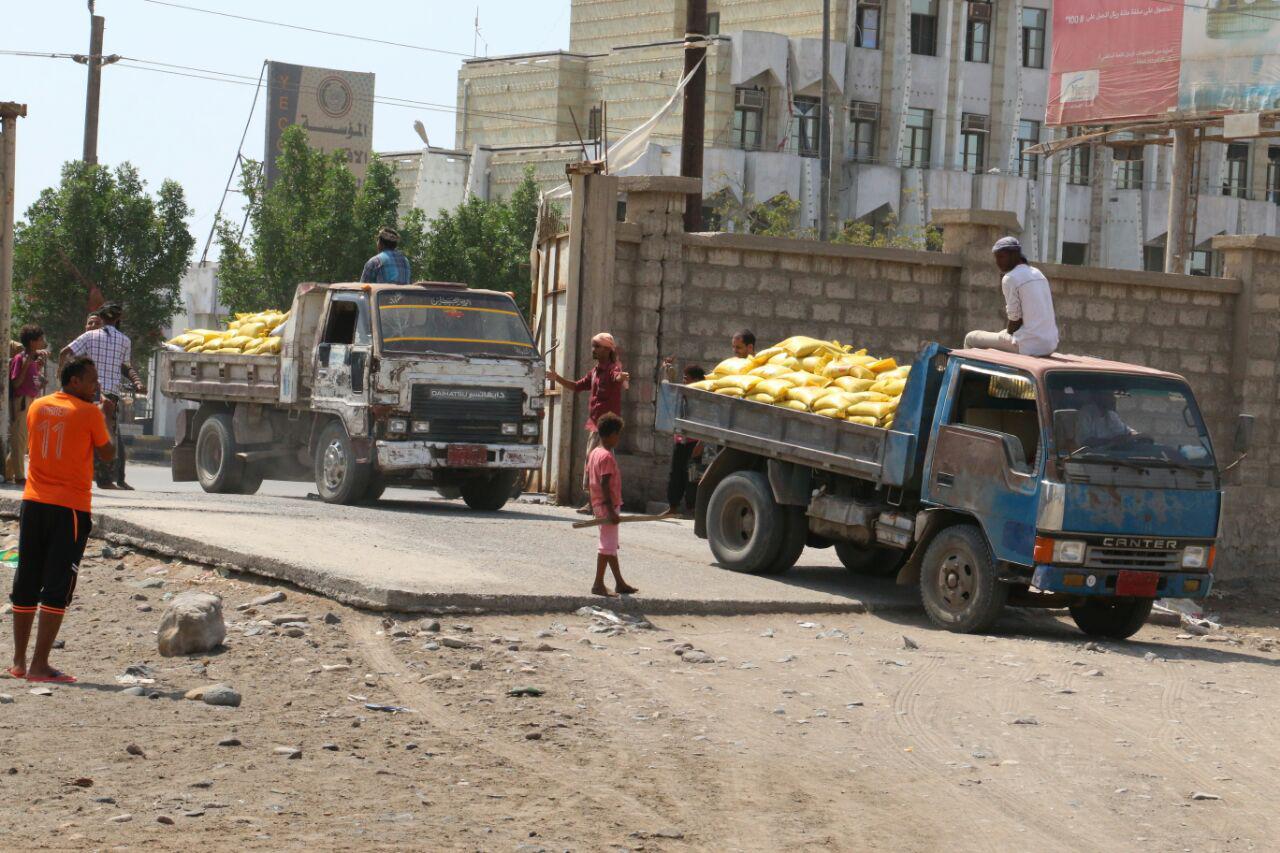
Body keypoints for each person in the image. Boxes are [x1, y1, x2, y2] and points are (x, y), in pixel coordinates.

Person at [8, 357, 114, 683]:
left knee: (26, 581)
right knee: (57, 586)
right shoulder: (90, 413)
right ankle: (40, 666)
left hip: (33, 504)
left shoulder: (38, 406)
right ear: (73, 382)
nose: (96, 385)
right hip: (69, 509)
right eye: (91, 379)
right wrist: (105, 416)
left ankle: (19, 662)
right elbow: (107, 455)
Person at [60, 303, 143, 491]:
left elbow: (64, 353)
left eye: (94, 322)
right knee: (106, 436)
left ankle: (104, 477)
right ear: (118, 319)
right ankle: (106, 480)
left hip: (88, 392)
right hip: (109, 395)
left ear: (101, 318)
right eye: (89, 323)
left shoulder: (88, 338)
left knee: (86, 434)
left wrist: (63, 380)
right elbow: (125, 366)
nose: (91, 326)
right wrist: (137, 382)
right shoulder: (124, 340)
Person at [547, 332, 630, 513]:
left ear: (607, 349)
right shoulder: (594, 372)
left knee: (598, 462)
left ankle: (599, 503)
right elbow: (577, 386)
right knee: (596, 462)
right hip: (596, 425)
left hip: (606, 427)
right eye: (593, 346)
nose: (593, 350)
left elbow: (616, 376)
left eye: (597, 346)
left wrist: (620, 378)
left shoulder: (611, 369)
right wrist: (557, 378)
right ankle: (598, 502)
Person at [964, 237, 1059, 357]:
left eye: (1001, 257)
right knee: (1000, 335)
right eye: (996, 258)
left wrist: (1007, 334)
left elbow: (1015, 320)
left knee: (971, 338)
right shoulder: (1038, 273)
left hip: (1027, 345)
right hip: (1050, 345)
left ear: (1014, 255)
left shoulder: (1010, 278)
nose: (998, 262)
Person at [587, 412, 637, 598]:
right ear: (611, 434)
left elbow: (590, 481)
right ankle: (598, 584)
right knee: (606, 547)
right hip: (607, 506)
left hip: (599, 504)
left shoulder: (594, 453)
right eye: (618, 434)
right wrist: (610, 510)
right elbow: (605, 483)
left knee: (611, 545)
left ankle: (619, 583)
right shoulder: (606, 456)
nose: (618, 438)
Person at [6, 325, 48, 484]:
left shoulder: (33, 360)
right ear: (32, 342)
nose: (43, 342)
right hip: (21, 402)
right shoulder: (20, 358)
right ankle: (20, 477)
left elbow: (33, 382)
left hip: (31, 401)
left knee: (24, 441)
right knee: (20, 439)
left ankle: (8, 472)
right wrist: (27, 364)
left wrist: (39, 371)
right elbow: (16, 383)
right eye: (41, 339)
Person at [664, 364, 705, 517]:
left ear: (696, 380)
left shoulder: (703, 398)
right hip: (680, 441)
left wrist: (701, 442)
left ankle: (692, 508)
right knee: (675, 474)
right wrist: (668, 373)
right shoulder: (682, 394)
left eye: (686, 378)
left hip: (694, 442)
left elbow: (706, 422)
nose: (684, 381)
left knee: (693, 476)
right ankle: (673, 507)